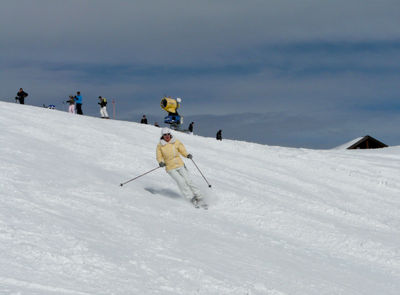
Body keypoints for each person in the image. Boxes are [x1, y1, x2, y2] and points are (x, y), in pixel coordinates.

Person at [156, 128, 205, 207]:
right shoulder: (160, 145)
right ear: (162, 136)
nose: (167, 136)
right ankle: (191, 198)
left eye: (168, 134)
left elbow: (182, 151)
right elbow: (159, 156)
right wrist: (160, 162)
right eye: (165, 135)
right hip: (170, 167)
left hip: (180, 165)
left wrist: (187, 155)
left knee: (188, 180)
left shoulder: (176, 142)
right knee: (181, 182)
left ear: (170, 134)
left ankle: (199, 197)